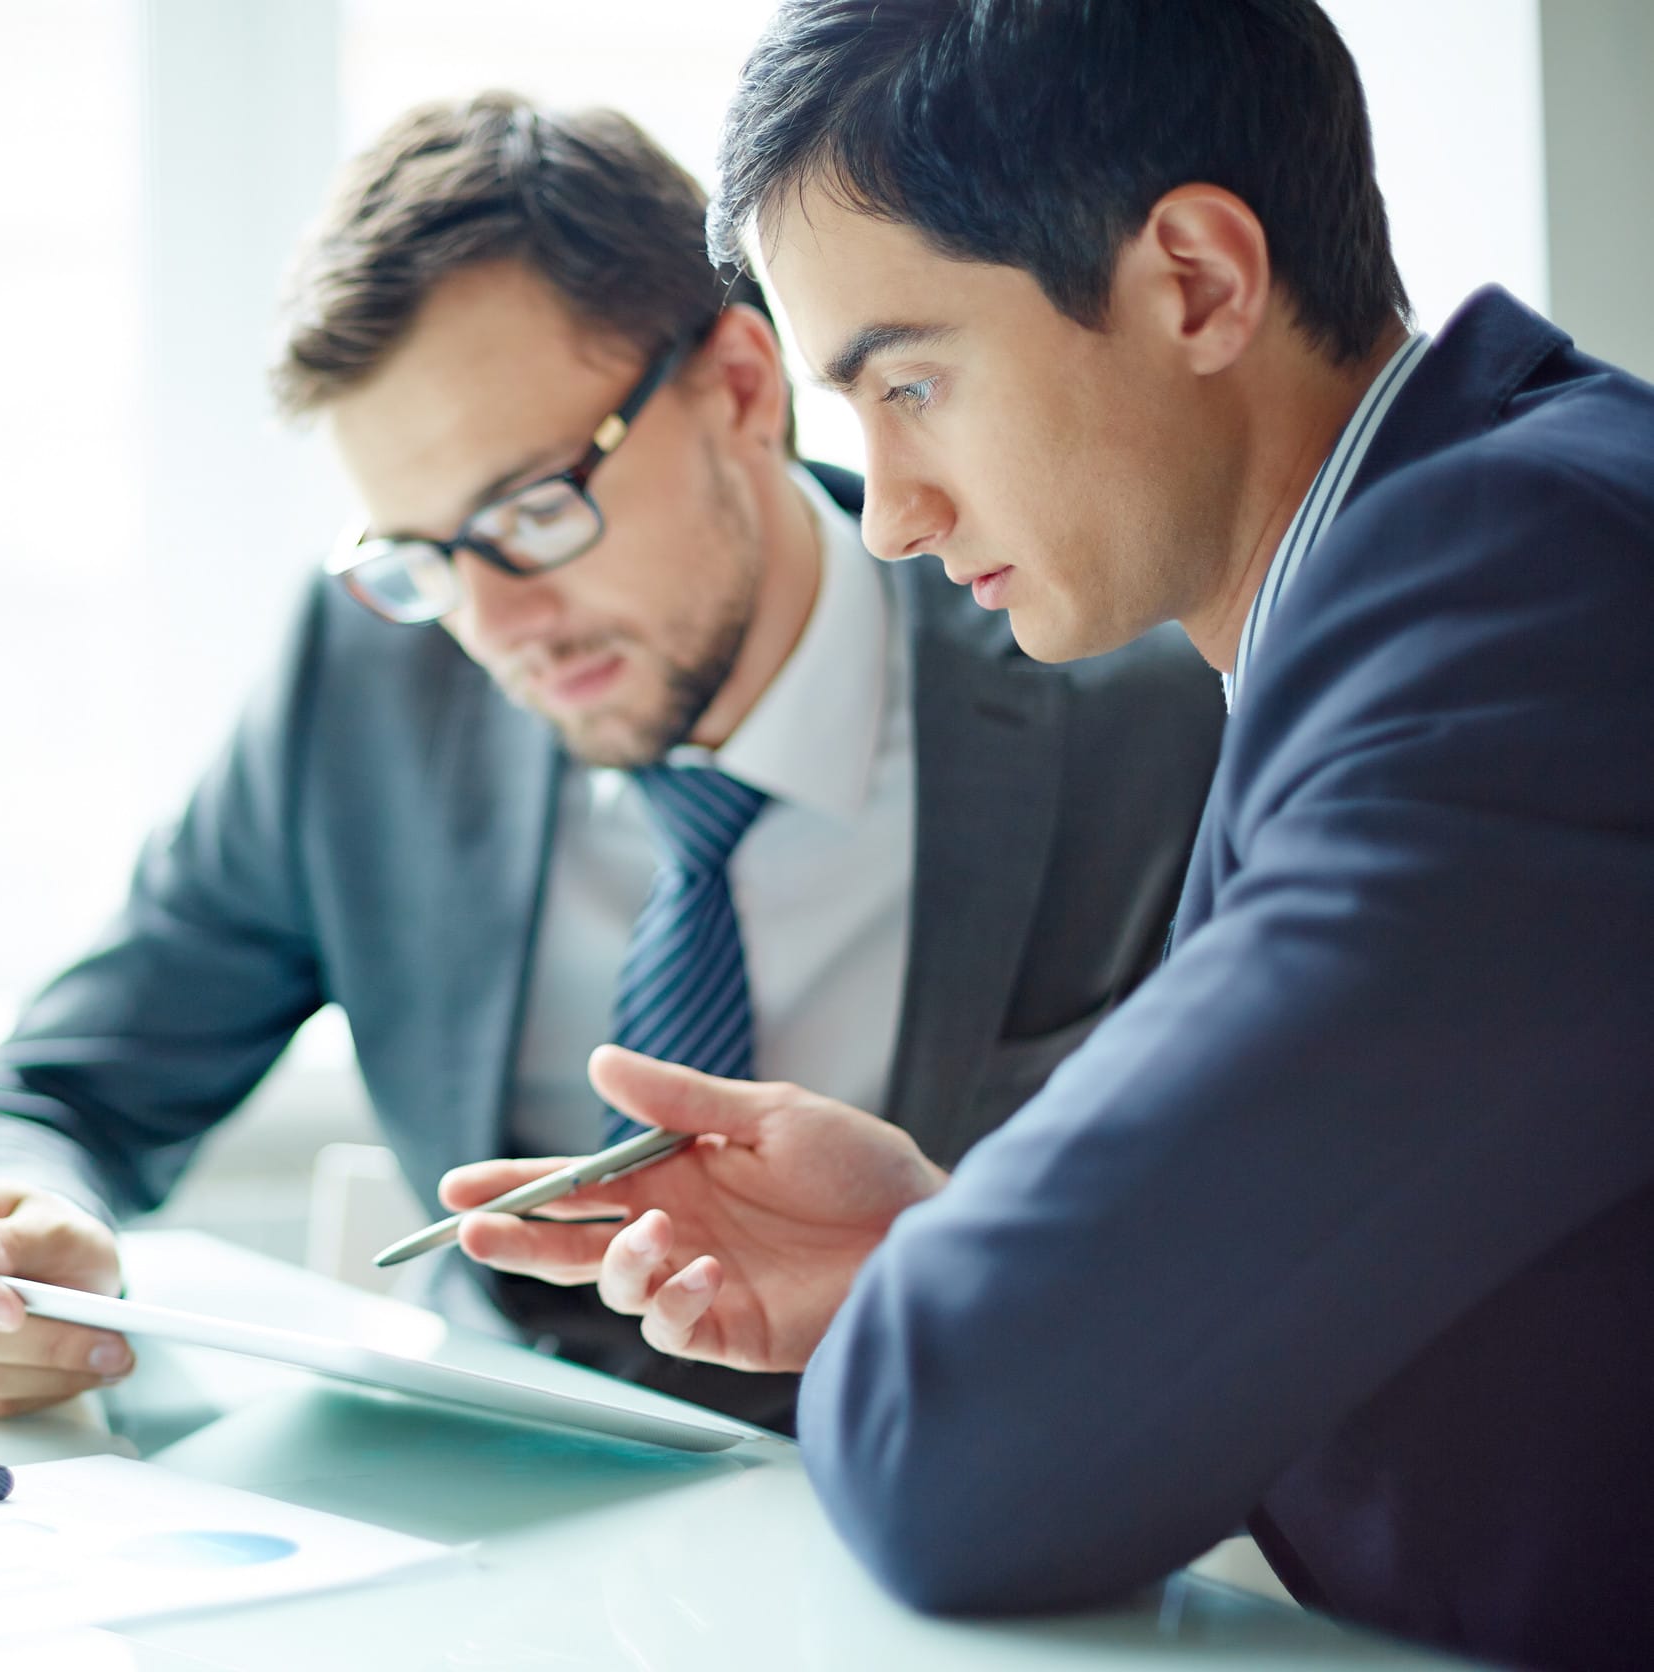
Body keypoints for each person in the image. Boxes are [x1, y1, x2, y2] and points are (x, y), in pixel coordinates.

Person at [443, 5, 1654, 1667]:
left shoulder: (1512, 603)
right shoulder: (1448, 565)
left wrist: (970, 1311)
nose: (890, 515)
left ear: (1198, 283)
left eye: (914, 384)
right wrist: (937, 1252)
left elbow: (961, 1454)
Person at [0, 94, 1222, 1436]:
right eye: (425, 557)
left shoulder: (1127, 713)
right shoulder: (368, 681)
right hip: (485, 1505)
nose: (496, 626)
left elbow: (1231, 1271)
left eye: (531, 513)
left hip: (920, 1506)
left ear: (742, 388)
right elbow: (58, 1092)